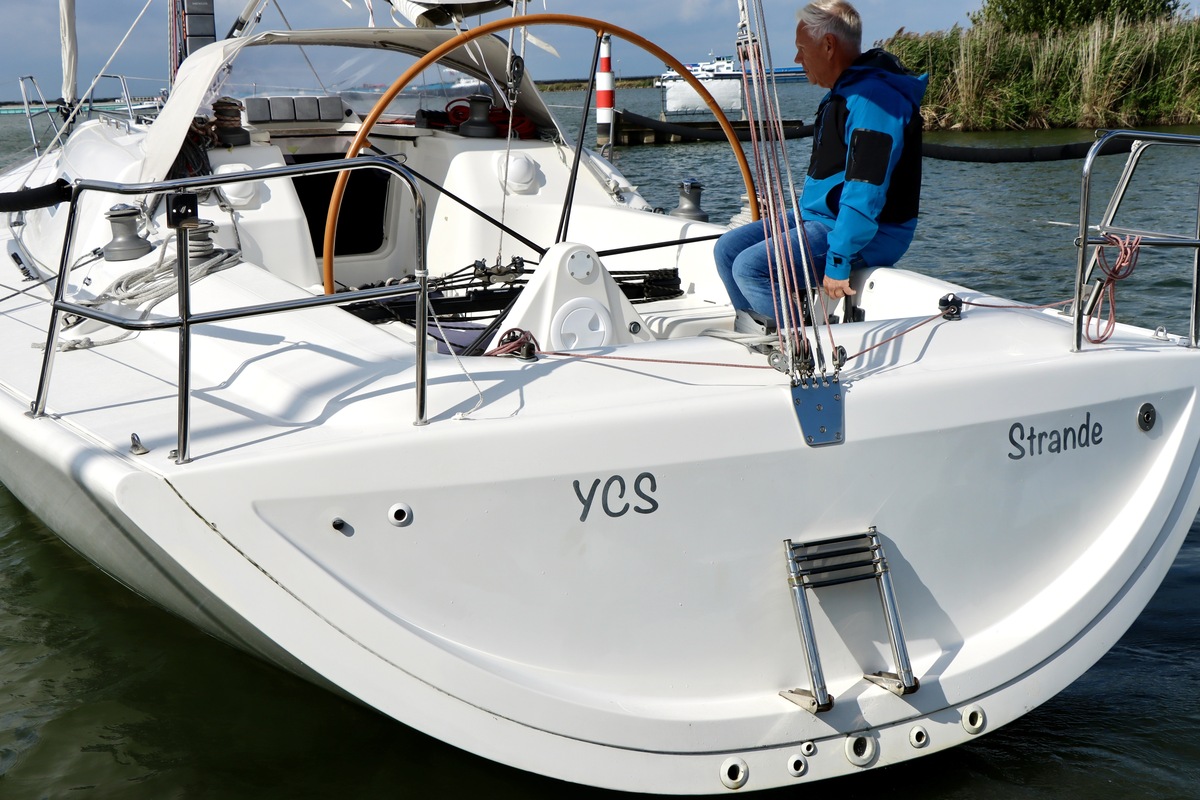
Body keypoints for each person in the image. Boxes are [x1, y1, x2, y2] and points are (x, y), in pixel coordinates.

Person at [715, 0, 927, 316]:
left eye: (802, 49)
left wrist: (839, 258)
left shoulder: (873, 100)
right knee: (727, 250)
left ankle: (796, 341)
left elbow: (865, 188)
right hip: (821, 217)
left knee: (751, 268)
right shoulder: (848, 90)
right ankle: (763, 329)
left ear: (828, 45)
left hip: (869, 231)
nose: (797, 58)